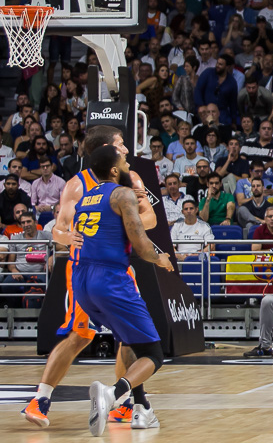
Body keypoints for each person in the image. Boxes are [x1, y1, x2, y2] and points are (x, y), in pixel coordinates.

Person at [22, 126, 157, 428]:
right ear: (108, 149)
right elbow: (57, 230)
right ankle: (40, 398)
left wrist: (123, 218)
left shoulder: (130, 178)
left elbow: (150, 217)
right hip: (84, 267)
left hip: (116, 267)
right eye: (121, 144)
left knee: (129, 337)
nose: (126, 150)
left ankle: (122, 404)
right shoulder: (75, 185)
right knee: (80, 334)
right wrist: (67, 237)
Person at [70, 145, 173, 436]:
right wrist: (161, 257)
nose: (128, 162)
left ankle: (142, 409)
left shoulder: (86, 198)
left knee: (130, 342)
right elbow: (141, 245)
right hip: (110, 279)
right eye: (124, 160)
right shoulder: (122, 194)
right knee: (154, 354)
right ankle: (113, 395)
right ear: (114, 169)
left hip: (82, 280)